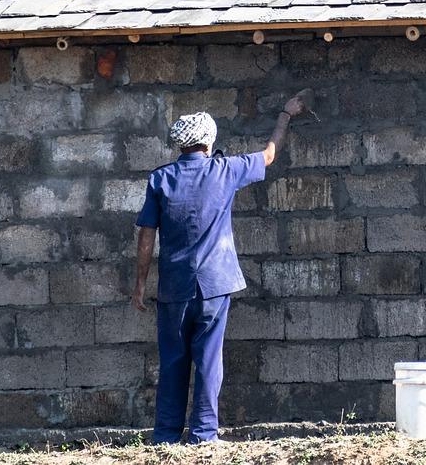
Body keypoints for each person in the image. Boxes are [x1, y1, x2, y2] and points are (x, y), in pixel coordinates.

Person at [132, 91, 310, 444]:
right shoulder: (225, 170)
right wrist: (285, 115)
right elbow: (269, 155)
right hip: (215, 286)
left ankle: (166, 438)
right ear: (209, 142)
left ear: (179, 146)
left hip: (174, 289)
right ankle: (203, 436)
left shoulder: (161, 179)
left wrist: (140, 284)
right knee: (209, 363)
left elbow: (146, 238)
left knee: (173, 363)